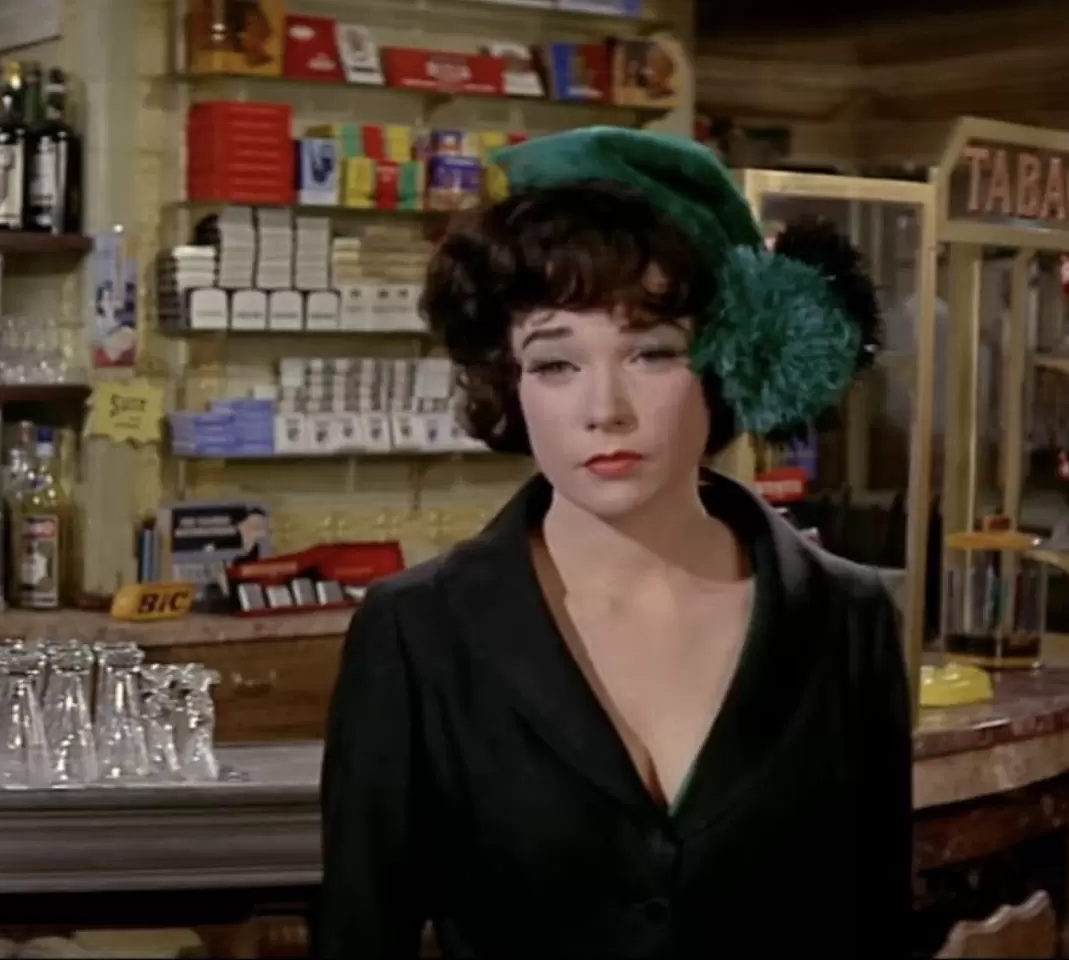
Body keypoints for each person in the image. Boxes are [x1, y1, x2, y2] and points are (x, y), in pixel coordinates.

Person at [316, 127, 908, 958]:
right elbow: (359, 936)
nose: (606, 410)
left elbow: (874, 928)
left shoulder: (847, 617)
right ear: (509, 382)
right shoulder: (417, 633)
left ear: (728, 363)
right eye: (555, 364)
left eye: (652, 353)